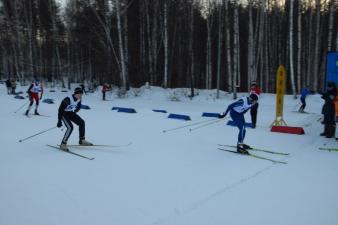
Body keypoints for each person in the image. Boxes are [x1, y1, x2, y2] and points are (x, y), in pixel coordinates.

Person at [57, 87, 93, 151]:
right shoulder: (67, 99)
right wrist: (59, 121)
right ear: (76, 94)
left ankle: (82, 140)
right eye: (79, 94)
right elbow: (60, 110)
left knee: (82, 122)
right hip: (63, 113)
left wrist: (77, 110)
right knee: (70, 127)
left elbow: (79, 105)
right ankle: (63, 143)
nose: (81, 96)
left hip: (70, 112)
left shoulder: (79, 99)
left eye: (82, 94)